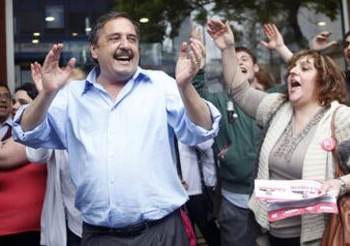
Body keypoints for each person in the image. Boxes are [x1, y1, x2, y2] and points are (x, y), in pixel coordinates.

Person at [12, 12, 220, 246]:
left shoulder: (160, 85)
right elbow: (28, 133)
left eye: (132, 39)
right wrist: (47, 94)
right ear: (94, 49)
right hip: (100, 236)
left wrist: (185, 85)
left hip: (162, 232)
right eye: (115, 38)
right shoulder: (72, 96)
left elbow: (202, 129)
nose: (125, 45)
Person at [207, 19, 350, 245]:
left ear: (324, 80)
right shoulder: (276, 108)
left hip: (323, 235)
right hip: (274, 236)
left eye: (304, 68)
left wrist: (341, 184)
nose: (293, 72)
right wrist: (227, 48)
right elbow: (240, 92)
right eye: (291, 69)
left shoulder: (342, 118)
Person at [261, 24, 350, 151]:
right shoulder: (338, 80)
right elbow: (302, 72)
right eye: (347, 44)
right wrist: (282, 47)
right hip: (342, 159)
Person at [192, 33, 261, 244]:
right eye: (233, 60)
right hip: (234, 198)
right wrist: (198, 66)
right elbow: (195, 97)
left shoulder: (273, 99)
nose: (239, 63)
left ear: (256, 68)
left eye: (244, 59)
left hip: (271, 197)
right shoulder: (219, 101)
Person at [0, 83, 46, 246]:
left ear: (38, 105)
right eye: (15, 101)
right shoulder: (14, 138)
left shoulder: (38, 135)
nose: (14, 106)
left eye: (22, 102)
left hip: (21, 234)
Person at [27, 62, 84, 246]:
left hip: (99, 225)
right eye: (63, 93)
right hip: (68, 224)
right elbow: (36, 156)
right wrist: (46, 99)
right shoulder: (55, 125)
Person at [179, 139, 220, 246]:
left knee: (209, 231)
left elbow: (206, 144)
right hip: (177, 192)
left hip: (198, 189)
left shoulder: (191, 125)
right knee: (185, 236)